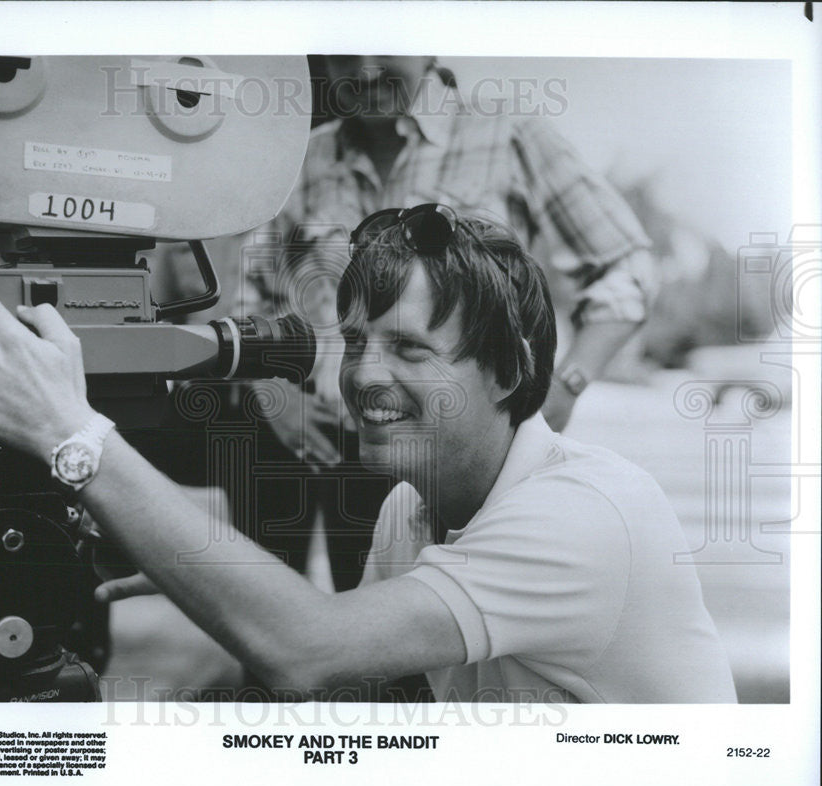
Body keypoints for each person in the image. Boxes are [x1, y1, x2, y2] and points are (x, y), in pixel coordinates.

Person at [0, 207, 735, 703]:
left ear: (510, 371)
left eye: (412, 351)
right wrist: (195, 569)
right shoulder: (411, 506)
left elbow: (308, 648)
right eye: (356, 342)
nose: (366, 374)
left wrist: (72, 432)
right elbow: (362, 682)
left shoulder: (579, 513)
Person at [229, 55, 658, 592]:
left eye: (380, 48)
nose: (362, 73)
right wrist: (274, 393)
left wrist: (567, 383)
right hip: (342, 451)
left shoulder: (506, 133)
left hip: (458, 458)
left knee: (455, 643)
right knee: (349, 638)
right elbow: (249, 297)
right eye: (342, 53)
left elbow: (625, 266)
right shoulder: (305, 157)